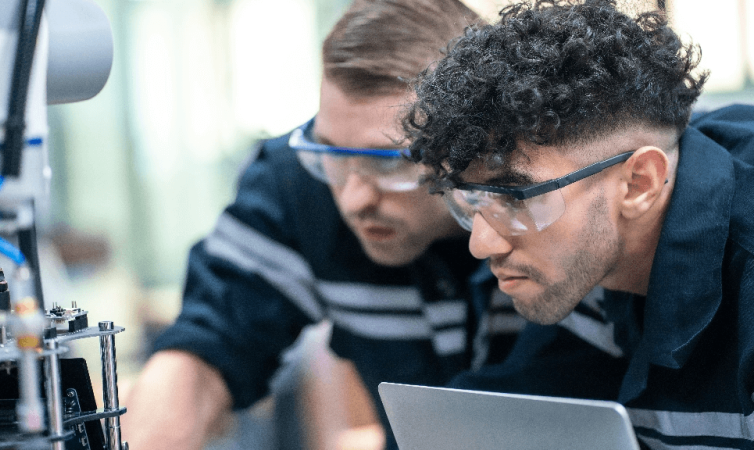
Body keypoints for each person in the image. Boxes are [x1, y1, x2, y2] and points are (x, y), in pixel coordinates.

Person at [123, 1, 531, 449]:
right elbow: (209, 347)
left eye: (389, 161)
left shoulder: (546, 194)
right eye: (331, 151)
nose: (353, 198)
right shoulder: (299, 179)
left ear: (475, 145)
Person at [403, 0, 754, 448]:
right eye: (473, 198)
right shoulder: (585, 257)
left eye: (516, 198)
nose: (481, 244)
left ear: (637, 183)